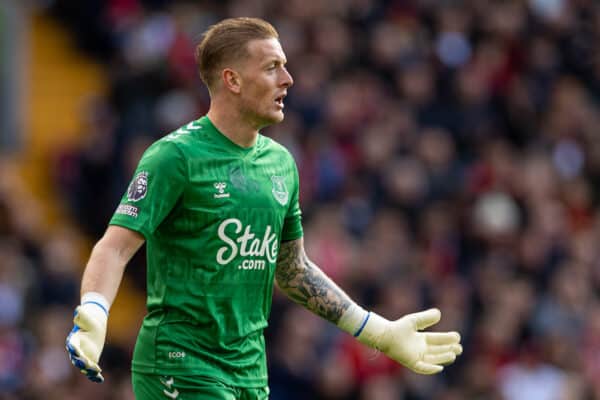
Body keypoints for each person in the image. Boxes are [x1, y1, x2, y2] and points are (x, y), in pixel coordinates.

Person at [65, 17, 462, 399]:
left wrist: (376, 330)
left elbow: (292, 271)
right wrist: (96, 311)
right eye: (272, 68)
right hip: (180, 363)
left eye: (285, 67)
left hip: (249, 372)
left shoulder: (281, 165)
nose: (288, 80)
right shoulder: (175, 157)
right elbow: (115, 246)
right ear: (232, 80)